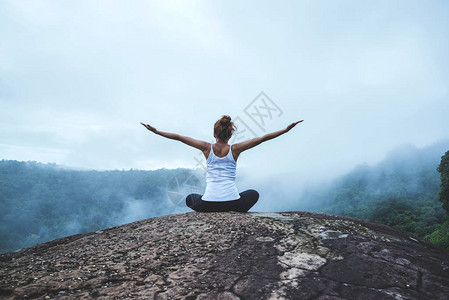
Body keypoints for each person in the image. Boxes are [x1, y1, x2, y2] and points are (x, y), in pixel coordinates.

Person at [141, 115, 303, 212]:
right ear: (230, 135)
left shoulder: (206, 148)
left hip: (208, 205)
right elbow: (262, 139)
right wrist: (285, 130)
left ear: (214, 133)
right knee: (253, 193)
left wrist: (156, 131)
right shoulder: (236, 149)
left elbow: (179, 137)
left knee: (190, 198)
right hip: (234, 203)